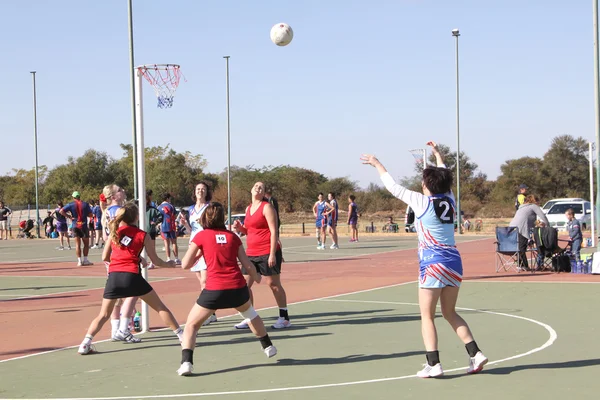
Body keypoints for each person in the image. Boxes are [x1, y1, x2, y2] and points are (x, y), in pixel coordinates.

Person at [361, 141, 488, 378]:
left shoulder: (421, 202)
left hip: (432, 264)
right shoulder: (450, 201)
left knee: (427, 316)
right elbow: (446, 175)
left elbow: (393, 187)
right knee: (450, 312)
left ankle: (434, 364)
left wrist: (377, 164)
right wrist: (438, 155)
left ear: (426, 185)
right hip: (454, 263)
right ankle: (475, 353)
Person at [178, 202, 277, 376]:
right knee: (250, 314)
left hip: (214, 290)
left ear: (204, 218)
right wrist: (257, 277)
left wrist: (200, 254)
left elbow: (185, 264)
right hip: (237, 287)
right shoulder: (233, 237)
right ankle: (268, 346)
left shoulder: (201, 236)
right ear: (222, 218)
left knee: (191, 325)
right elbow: (247, 264)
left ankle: (186, 362)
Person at [77, 202, 183, 355]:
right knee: (160, 307)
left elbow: (104, 256)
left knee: (103, 314)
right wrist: (169, 264)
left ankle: (85, 343)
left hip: (113, 277)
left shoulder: (114, 233)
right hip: (132, 276)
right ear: (136, 217)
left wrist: (134, 258)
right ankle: (181, 336)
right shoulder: (142, 235)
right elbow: (156, 261)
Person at [232, 181, 291, 330]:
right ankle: (249, 317)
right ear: (251, 190)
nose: (258, 188)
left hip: (267, 251)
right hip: (251, 253)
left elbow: (273, 231)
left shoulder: (267, 207)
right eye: (256, 186)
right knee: (243, 285)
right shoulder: (248, 208)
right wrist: (240, 228)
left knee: (273, 284)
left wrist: (272, 254)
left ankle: (284, 317)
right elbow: (250, 231)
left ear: (264, 193)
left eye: (261, 188)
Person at [100, 184, 140, 342]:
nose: (124, 191)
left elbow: (105, 237)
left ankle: (116, 329)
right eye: (120, 190)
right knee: (131, 292)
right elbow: (121, 234)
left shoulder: (105, 213)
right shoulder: (119, 212)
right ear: (114, 196)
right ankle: (124, 328)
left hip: (111, 254)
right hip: (121, 255)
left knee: (116, 293)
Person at [179, 182, 217, 325]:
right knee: (201, 281)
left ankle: (207, 312)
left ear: (207, 192)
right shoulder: (191, 209)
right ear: (194, 192)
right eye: (198, 189)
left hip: (206, 246)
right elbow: (192, 231)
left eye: (203, 189)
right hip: (194, 245)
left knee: (204, 282)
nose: (200, 191)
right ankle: (212, 312)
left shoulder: (209, 208)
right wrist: (185, 225)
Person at [509, 194, 549, 271]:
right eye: (538, 202)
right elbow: (543, 216)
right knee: (522, 248)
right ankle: (524, 265)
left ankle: (521, 264)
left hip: (511, 228)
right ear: (535, 201)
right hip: (521, 228)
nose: (538, 204)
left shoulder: (521, 207)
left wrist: (537, 224)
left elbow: (528, 219)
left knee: (519, 247)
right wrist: (548, 225)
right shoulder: (533, 206)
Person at [60, 192, 94, 267]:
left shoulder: (71, 204)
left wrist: (68, 216)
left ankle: (79, 261)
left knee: (77, 244)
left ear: (73, 197)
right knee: (86, 244)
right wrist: (86, 214)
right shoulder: (85, 204)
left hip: (75, 226)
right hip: (84, 225)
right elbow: (91, 214)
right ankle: (85, 260)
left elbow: (61, 211)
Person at [157, 193, 180, 265]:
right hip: (171, 226)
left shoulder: (159, 207)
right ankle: (176, 258)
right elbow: (175, 216)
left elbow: (158, 217)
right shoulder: (171, 206)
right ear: (167, 198)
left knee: (166, 243)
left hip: (163, 226)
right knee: (174, 242)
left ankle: (168, 258)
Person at [144, 190, 162, 270]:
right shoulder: (138, 209)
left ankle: (152, 262)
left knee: (151, 247)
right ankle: (143, 261)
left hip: (150, 231)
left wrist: (155, 222)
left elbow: (160, 216)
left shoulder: (152, 209)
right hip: (141, 231)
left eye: (145, 199)